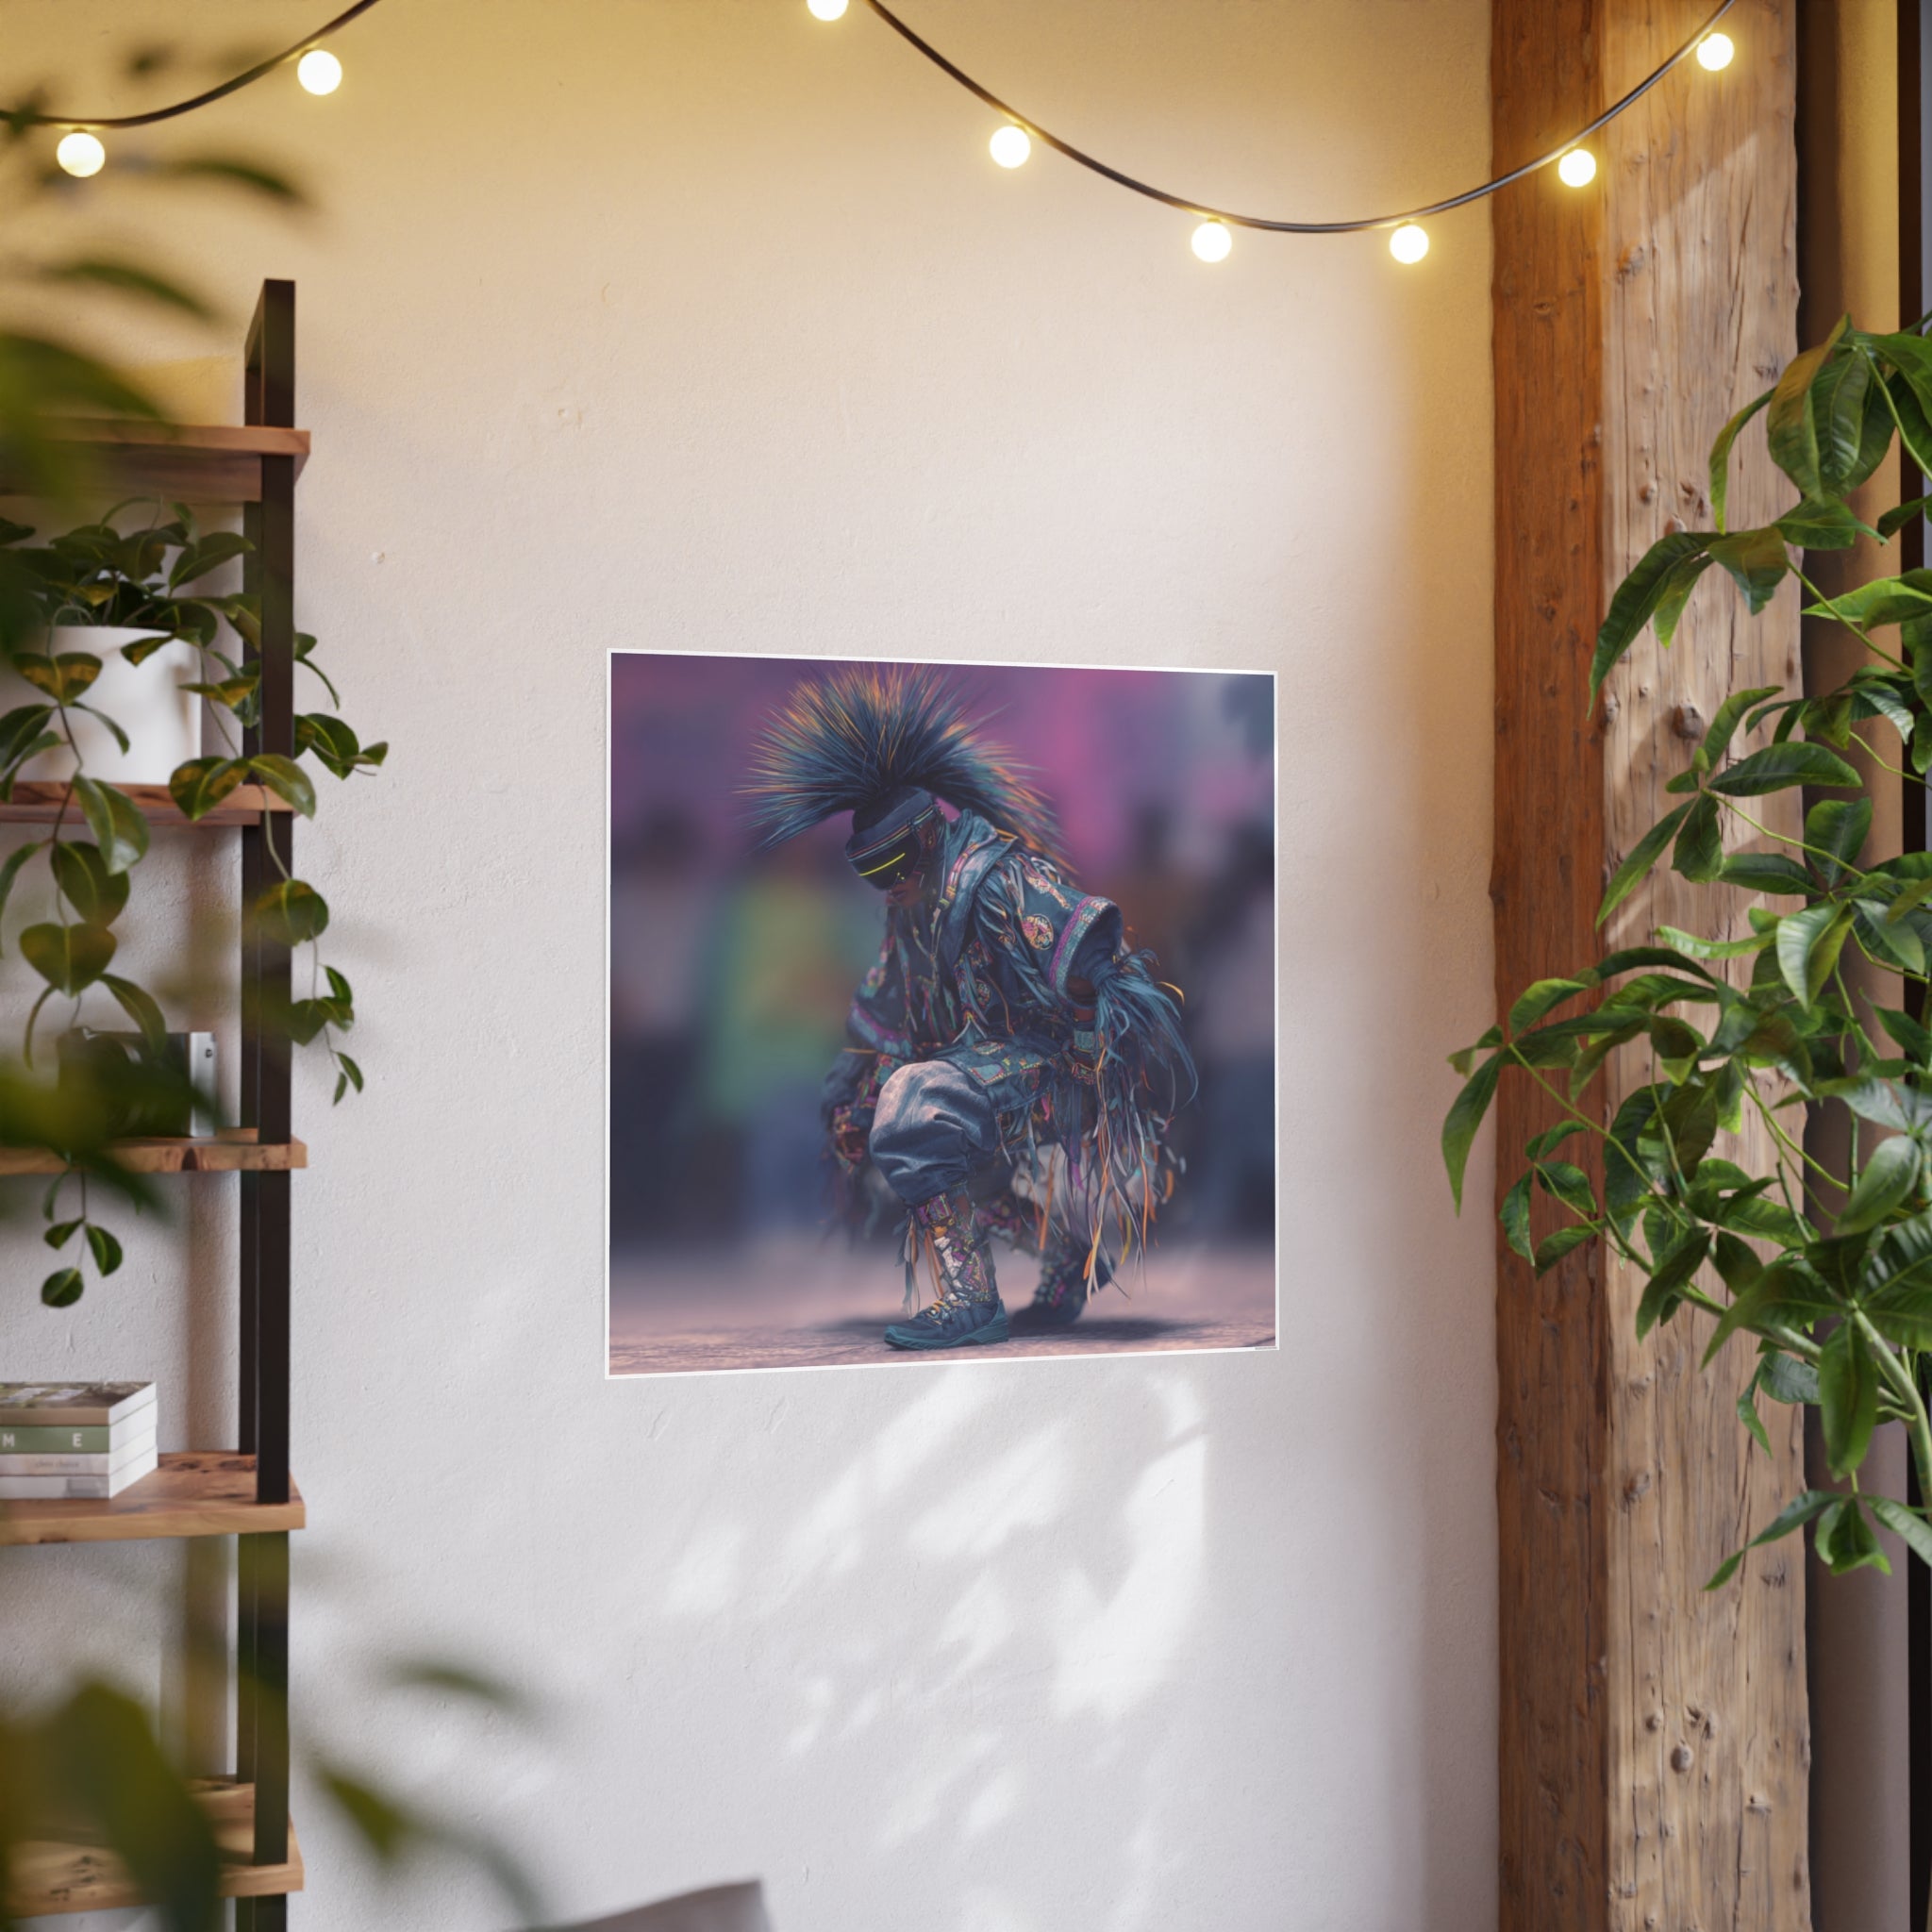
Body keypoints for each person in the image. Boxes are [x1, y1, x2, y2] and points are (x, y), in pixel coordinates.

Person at [745, 666, 1194, 1351]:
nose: (887, 886)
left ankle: (970, 1301)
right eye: (871, 873)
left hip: (1058, 1073)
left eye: (892, 865)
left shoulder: (999, 876)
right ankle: (1068, 1246)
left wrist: (1084, 1043)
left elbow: (1088, 948)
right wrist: (851, 1094)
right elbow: (884, 1011)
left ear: (927, 837)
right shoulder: (912, 911)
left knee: (913, 1104)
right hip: (985, 1076)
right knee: (886, 1128)